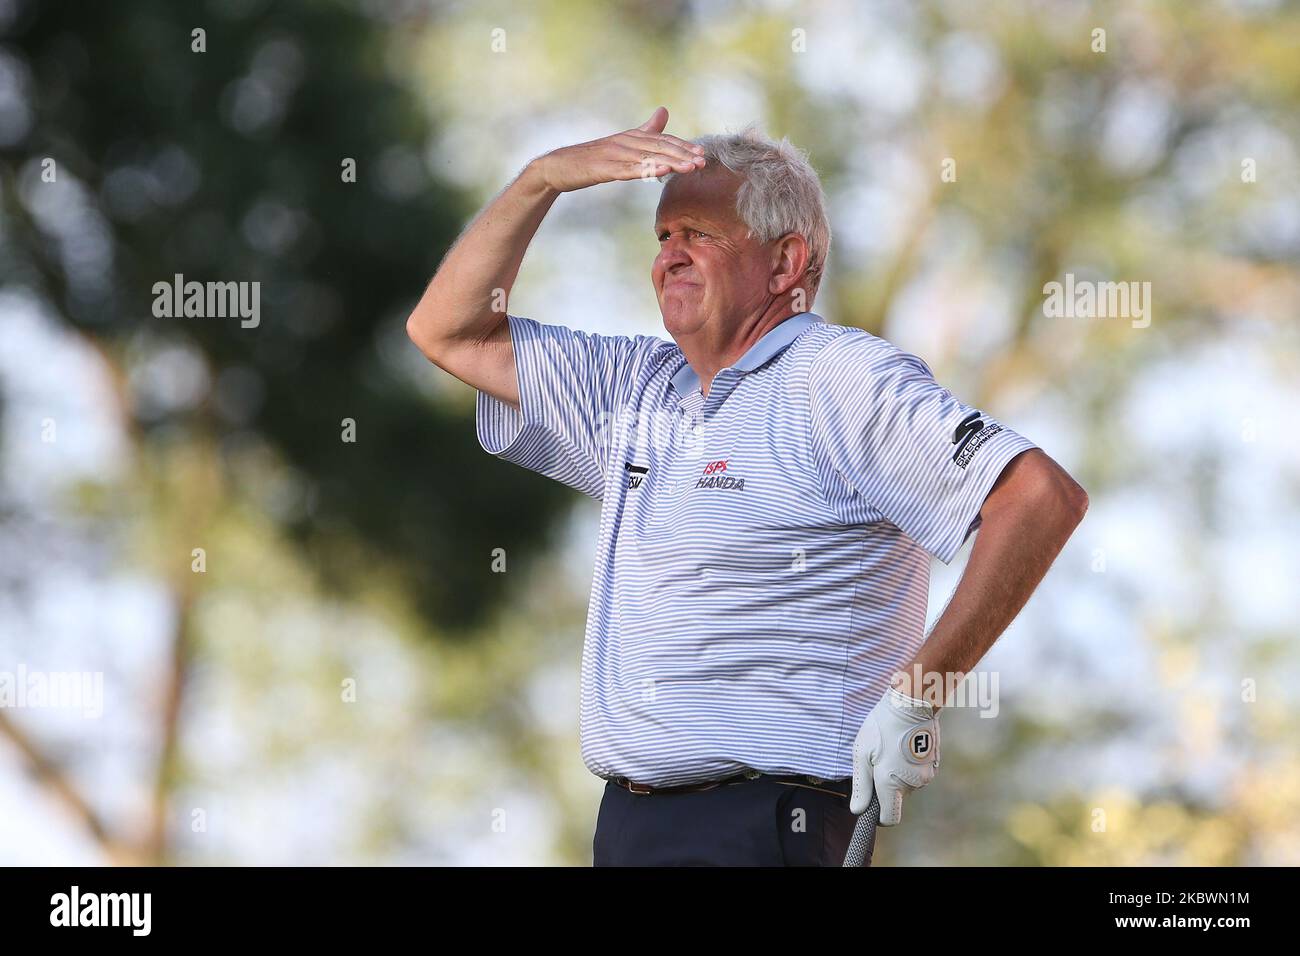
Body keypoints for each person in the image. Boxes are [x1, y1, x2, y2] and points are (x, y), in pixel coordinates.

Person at [406, 107, 1088, 866]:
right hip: (628, 826)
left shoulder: (837, 378)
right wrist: (542, 181)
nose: (670, 256)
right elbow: (450, 331)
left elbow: (1038, 499)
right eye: (662, 238)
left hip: (768, 823)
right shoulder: (635, 386)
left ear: (785, 262)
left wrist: (917, 694)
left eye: (698, 234)